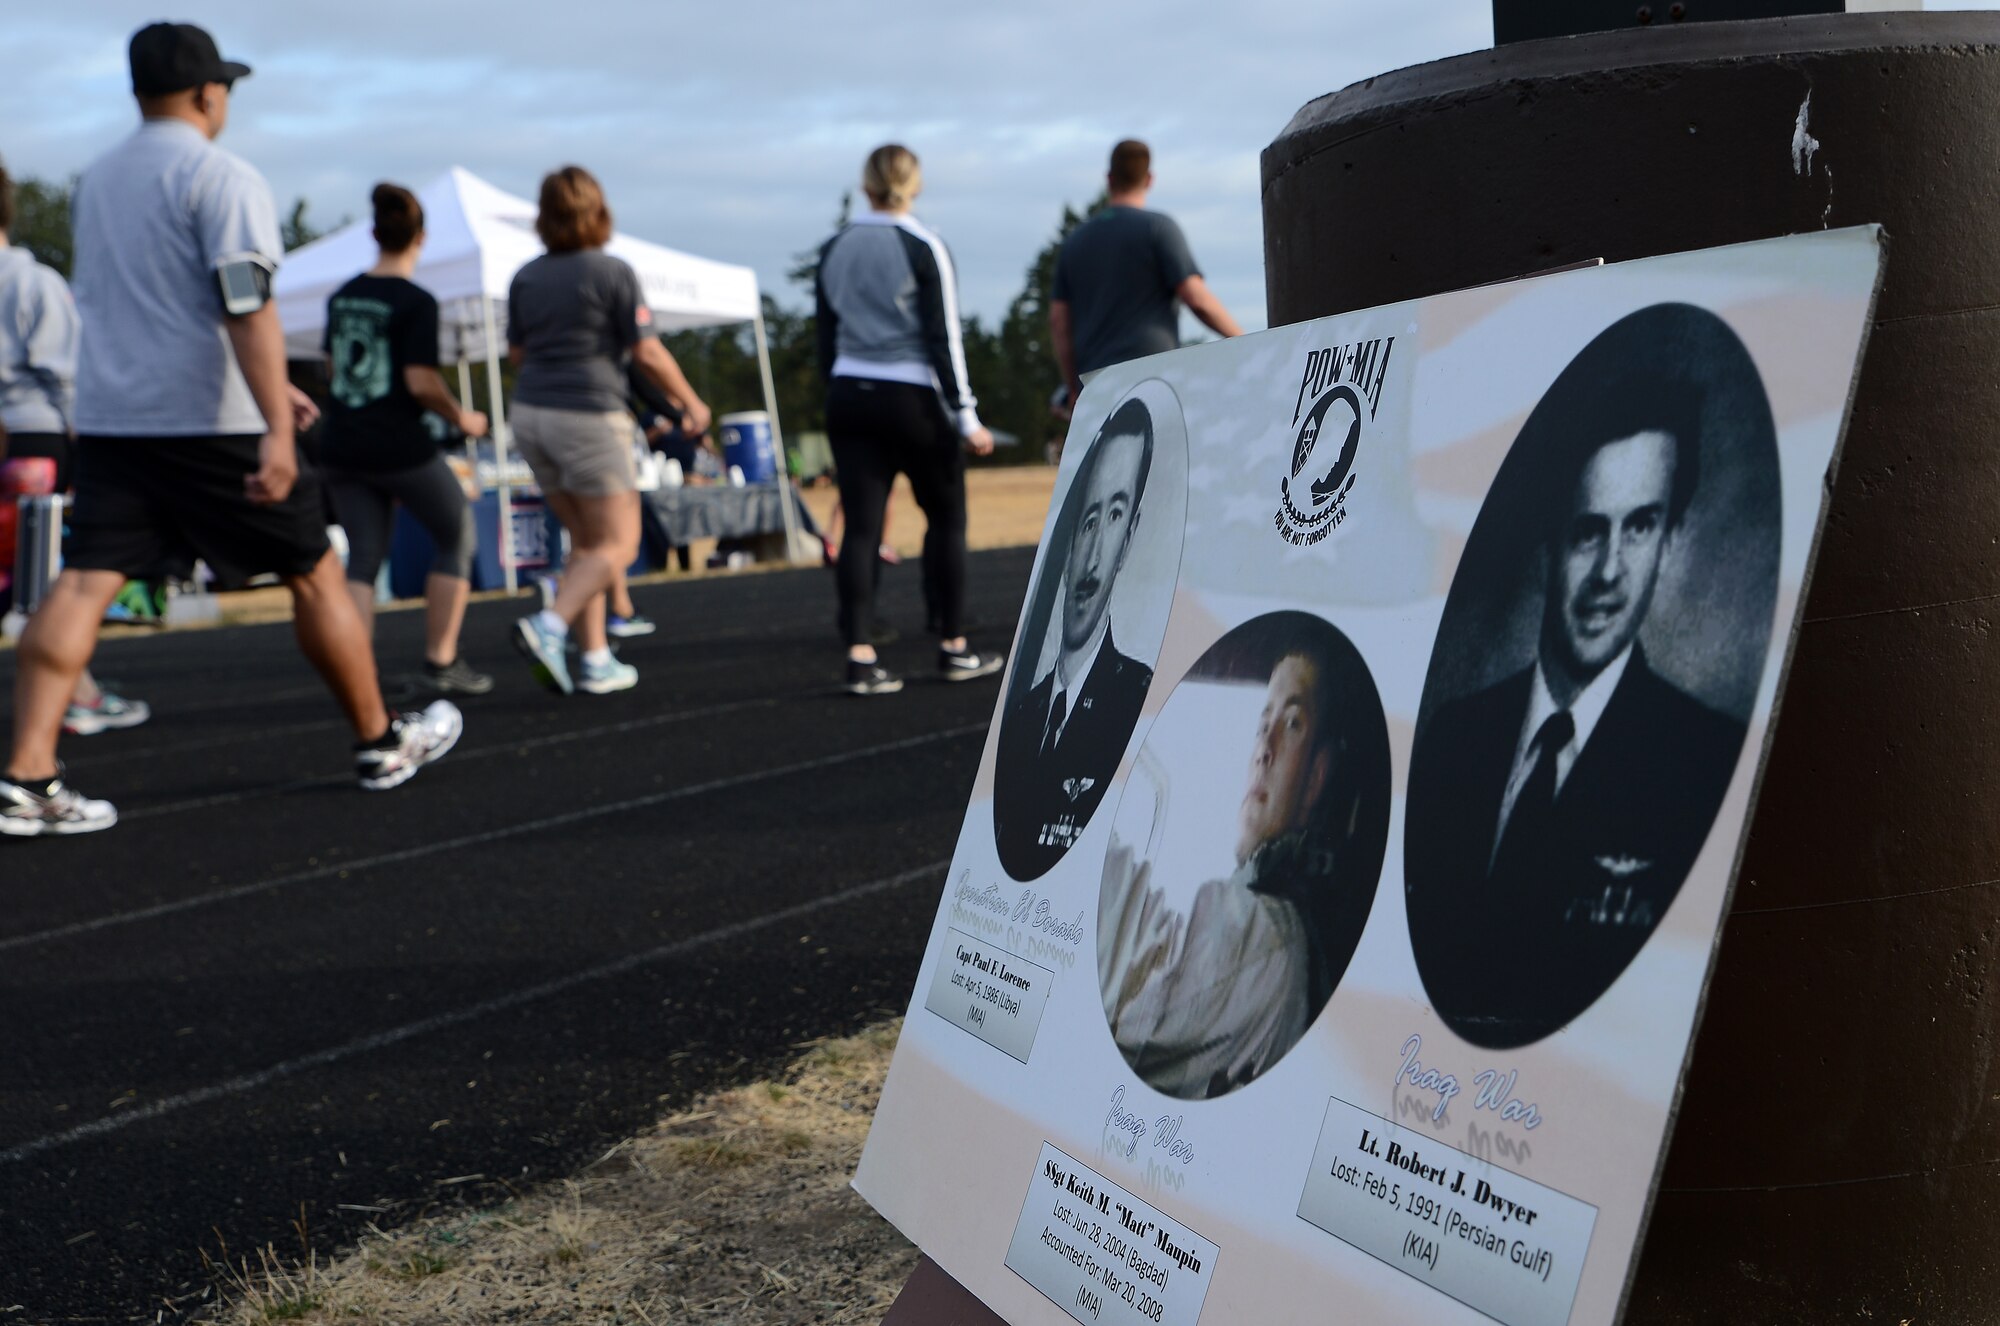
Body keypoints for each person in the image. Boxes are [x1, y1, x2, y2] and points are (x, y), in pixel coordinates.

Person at [0, 22, 461, 836]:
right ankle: (380, 741)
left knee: (82, 582)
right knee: (315, 572)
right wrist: (276, 423)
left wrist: (274, 385)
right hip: (210, 423)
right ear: (209, 93)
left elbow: (155, 303)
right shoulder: (222, 176)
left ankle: (28, 775)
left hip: (112, 420)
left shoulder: (95, 180)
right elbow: (243, 304)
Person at [1404, 377, 1747, 1049]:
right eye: (1588, 533)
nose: (1611, 572)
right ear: (1546, 546)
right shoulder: (1450, 740)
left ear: (1672, 540)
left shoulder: (1707, 763)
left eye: (1641, 526)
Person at [1098, 642, 1371, 1099]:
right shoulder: (1268, 918)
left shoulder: (1275, 939)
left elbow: (1132, 971)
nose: (1264, 746)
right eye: (1262, 724)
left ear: (1318, 776)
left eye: (1291, 723)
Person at [507, 165, 709, 696]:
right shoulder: (613, 271)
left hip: (530, 415)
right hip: (590, 417)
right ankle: (548, 628)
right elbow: (646, 350)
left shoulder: (525, 276)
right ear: (599, 211)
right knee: (619, 544)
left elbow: (517, 353)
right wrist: (690, 402)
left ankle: (596, 659)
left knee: (587, 544)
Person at [814, 143, 1004, 695]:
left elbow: (825, 335)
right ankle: (952, 647)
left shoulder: (835, 246)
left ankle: (859, 657)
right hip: (914, 399)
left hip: (850, 393)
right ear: (912, 185)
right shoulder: (924, 243)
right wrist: (966, 415)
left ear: (865, 184)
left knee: (861, 528)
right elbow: (943, 335)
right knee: (946, 522)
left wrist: (841, 390)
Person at [321, 182, 493, 695]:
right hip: (398, 444)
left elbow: (334, 370)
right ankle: (441, 661)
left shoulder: (342, 296)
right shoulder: (416, 301)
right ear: (421, 237)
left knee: (364, 557)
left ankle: (356, 674)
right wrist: (460, 416)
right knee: (456, 536)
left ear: (374, 233)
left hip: (342, 443)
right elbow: (420, 382)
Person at [0, 159, 151, 737]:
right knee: (51, 585)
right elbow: (66, 375)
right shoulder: (34, 282)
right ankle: (73, 696)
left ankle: (70, 692)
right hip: (34, 440)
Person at [992, 399, 1154, 880]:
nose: (1095, 553)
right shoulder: (1021, 716)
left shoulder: (1139, 702)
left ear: (1129, 540)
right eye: (1087, 521)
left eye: (1115, 517)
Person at [1049, 140, 1242, 415]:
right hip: (1154, 383)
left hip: (1096, 386)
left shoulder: (1074, 242)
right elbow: (1197, 299)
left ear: (1109, 179)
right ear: (1149, 179)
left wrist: (1073, 387)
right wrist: (1242, 339)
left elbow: (1058, 322)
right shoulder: (1158, 229)